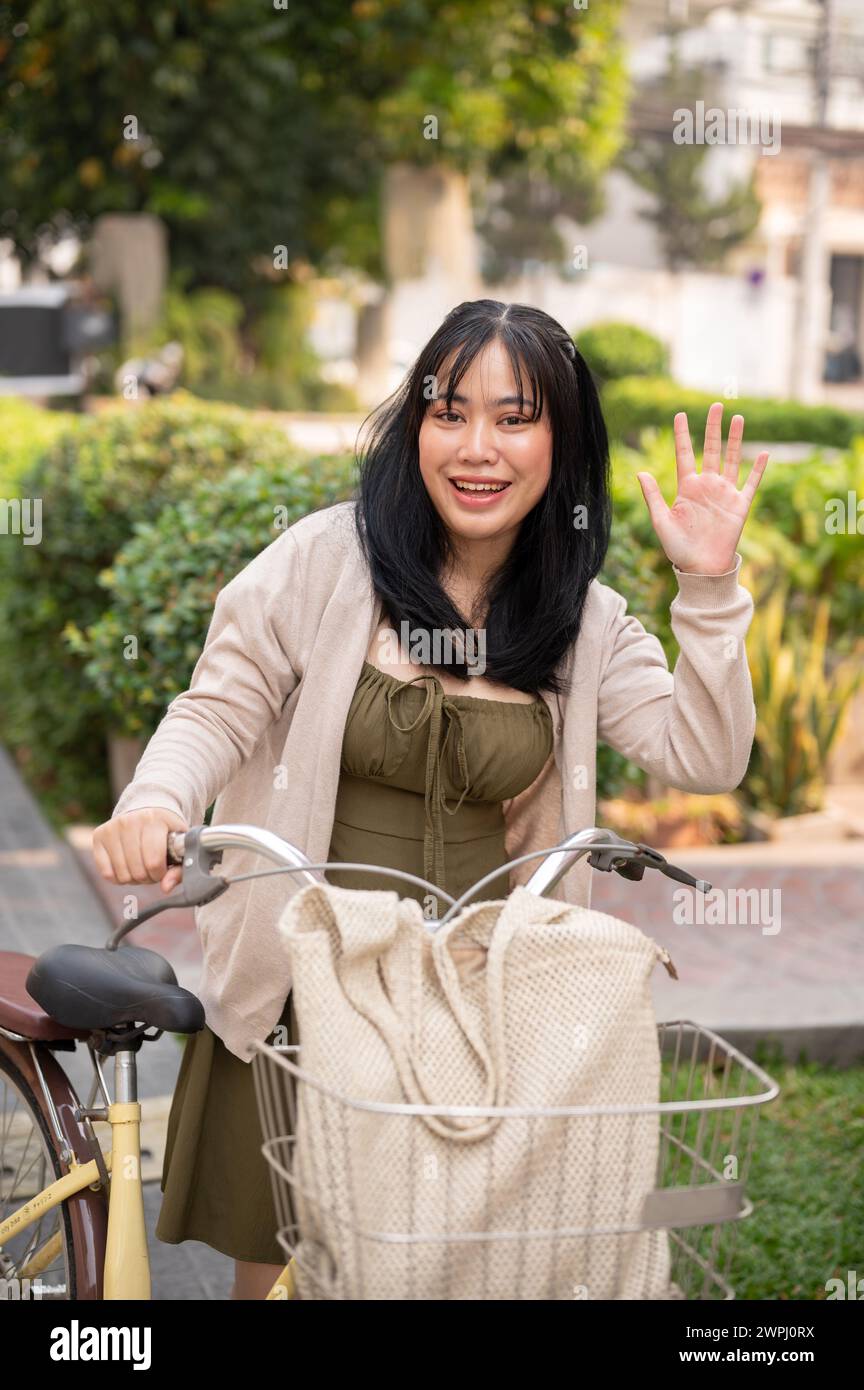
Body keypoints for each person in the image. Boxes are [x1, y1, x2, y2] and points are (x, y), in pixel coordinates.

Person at [91, 298, 769, 1299]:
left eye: (514, 416)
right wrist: (152, 799)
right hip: (309, 987)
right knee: (286, 1274)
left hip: (482, 1003)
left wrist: (707, 590)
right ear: (414, 425)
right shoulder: (327, 560)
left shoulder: (582, 618)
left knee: (459, 1269)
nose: (477, 447)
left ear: (561, 438)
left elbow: (704, 754)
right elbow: (216, 707)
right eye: (448, 412)